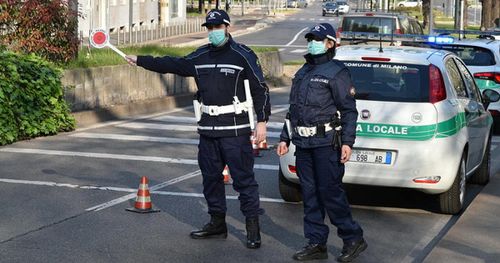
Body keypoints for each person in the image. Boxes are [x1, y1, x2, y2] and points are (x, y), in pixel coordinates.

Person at [125, 9, 270, 249]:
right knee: (211, 179)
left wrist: (262, 121)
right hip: (209, 131)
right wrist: (141, 60)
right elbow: (172, 64)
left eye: (217, 27)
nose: (213, 32)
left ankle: (252, 227)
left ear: (227, 27)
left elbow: (260, 89)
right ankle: (217, 223)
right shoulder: (200, 55)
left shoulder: (242, 55)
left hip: (235, 130)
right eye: (210, 28)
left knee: (244, 181)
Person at [276, 23, 367, 262]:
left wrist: (347, 142)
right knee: (310, 195)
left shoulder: (337, 72)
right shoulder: (303, 72)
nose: (312, 43)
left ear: (330, 44)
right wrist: (284, 138)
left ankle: (353, 238)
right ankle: (316, 242)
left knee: (330, 194)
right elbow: (293, 110)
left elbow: (349, 111)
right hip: (304, 146)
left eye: (317, 39)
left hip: (327, 145)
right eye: (310, 39)